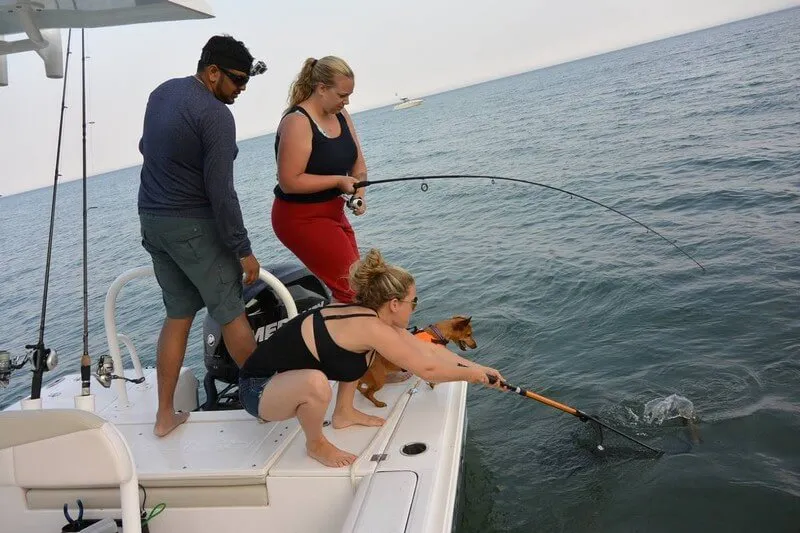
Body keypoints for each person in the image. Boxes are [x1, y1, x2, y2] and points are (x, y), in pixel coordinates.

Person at [237, 249, 505, 468]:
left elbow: (430, 350)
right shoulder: (372, 329)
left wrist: (480, 367)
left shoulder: (373, 316)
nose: (415, 307)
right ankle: (315, 445)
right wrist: (473, 377)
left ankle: (343, 412)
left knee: (353, 355)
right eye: (414, 301)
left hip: (284, 381)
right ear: (394, 303)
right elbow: (428, 370)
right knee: (316, 382)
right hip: (259, 390)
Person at [138, 35, 264, 437]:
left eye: (247, 81)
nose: (242, 89)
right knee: (231, 312)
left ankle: (164, 417)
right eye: (237, 80)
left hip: (152, 220)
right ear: (212, 73)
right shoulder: (215, 115)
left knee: (177, 317)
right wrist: (243, 250)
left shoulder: (162, 93)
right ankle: (273, 402)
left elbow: (147, 146)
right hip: (193, 227)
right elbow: (221, 192)